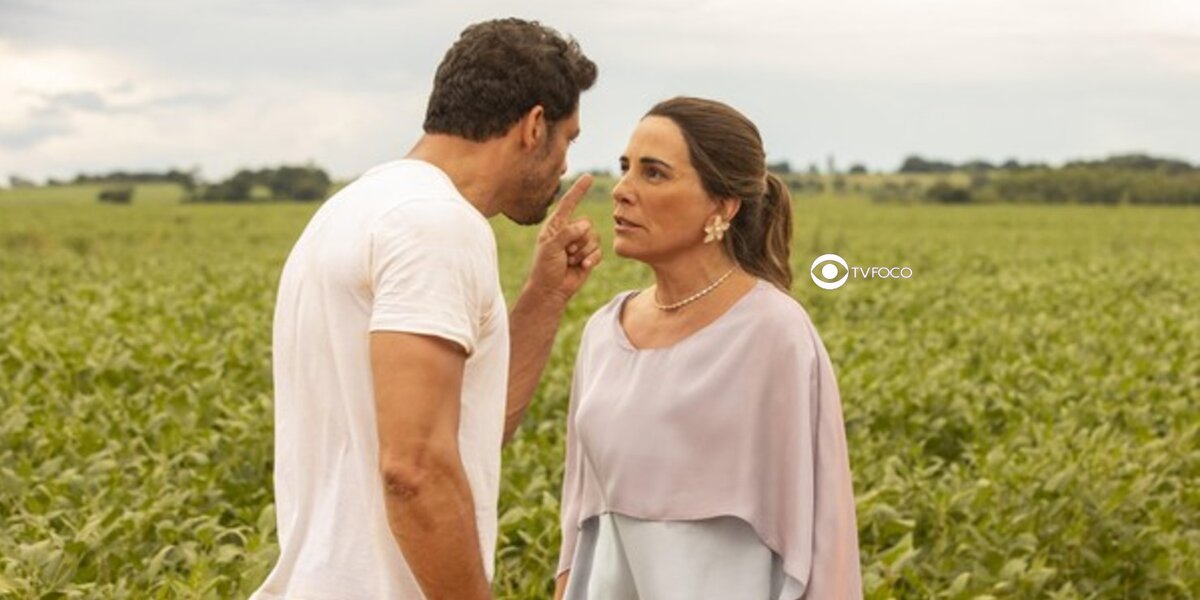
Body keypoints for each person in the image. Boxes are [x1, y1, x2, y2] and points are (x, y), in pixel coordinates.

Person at [251, 18, 599, 600]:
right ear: (534, 126)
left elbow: (464, 434)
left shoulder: (355, 209)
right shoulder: (435, 225)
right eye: (569, 139)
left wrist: (544, 297)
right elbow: (414, 470)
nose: (565, 164)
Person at [555, 97, 862, 599]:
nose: (622, 191)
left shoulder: (773, 332)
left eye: (653, 174)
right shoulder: (602, 333)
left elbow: (822, 531)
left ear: (721, 206)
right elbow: (579, 526)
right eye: (625, 168)